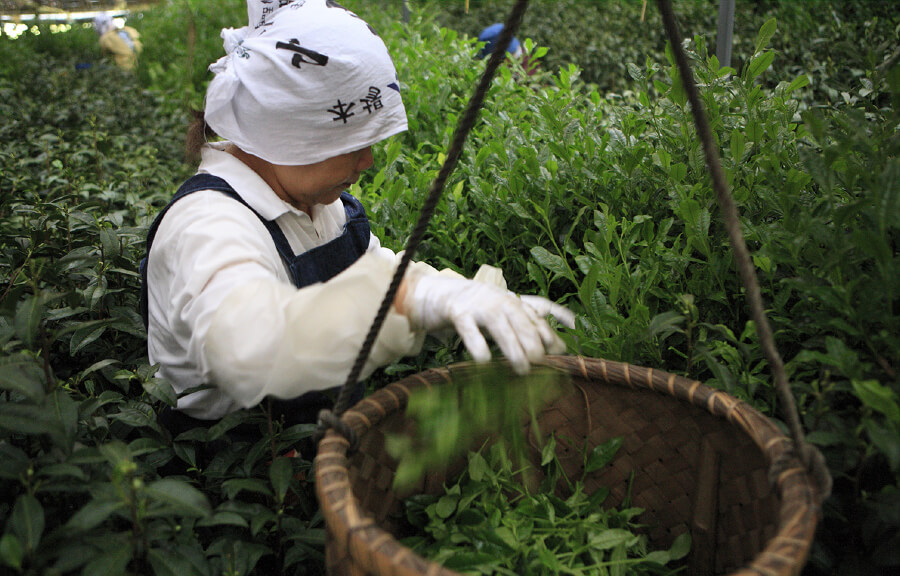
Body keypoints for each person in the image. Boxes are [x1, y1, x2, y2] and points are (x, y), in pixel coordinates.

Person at [142, 0, 574, 434]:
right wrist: (409, 301)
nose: (367, 160)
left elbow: (376, 271)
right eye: (349, 145)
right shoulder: (206, 225)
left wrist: (460, 296)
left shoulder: (320, 205)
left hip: (320, 432)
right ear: (286, 134)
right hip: (232, 467)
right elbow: (248, 346)